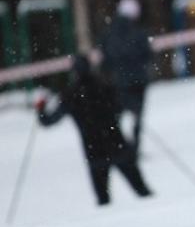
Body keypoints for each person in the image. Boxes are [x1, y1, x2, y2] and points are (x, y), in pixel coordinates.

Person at [36, 54, 153, 205]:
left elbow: (48, 121)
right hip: (117, 145)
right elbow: (123, 106)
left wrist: (40, 109)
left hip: (94, 152)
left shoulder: (70, 95)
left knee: (103, 200)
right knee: (142, 191)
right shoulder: (104, 87)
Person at [99, 0, 152, 157]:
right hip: (138, 81)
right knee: (137, 116)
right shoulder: (139, 32)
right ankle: (134, 148)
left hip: (118, 82)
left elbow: (105, 59)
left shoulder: (108, 34)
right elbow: (148, 55)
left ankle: (118, 147)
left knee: (117, 117)